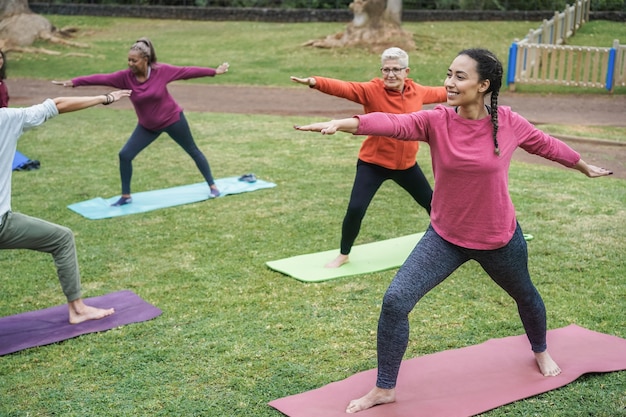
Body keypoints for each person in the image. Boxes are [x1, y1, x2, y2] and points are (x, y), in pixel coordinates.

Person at [294, 48, 612, 413]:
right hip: (445, 237)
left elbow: (546, 145)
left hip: (498, 239)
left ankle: (540, 349)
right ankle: (384, 388)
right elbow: (392, 124)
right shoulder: (437, 120)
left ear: (483, 85)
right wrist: (345, 124)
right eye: (448, 74)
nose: (449, 82)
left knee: (525, 296)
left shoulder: (508, 122)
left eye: (460, 76)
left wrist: (583, 165)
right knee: (395, 301)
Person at [291, 47, 447, 268]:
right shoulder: (372, 90)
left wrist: (474, 88)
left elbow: (446, 93)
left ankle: (452, 244)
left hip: (406, 165)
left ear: (406, 71)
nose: (390, 74)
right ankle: (343, 254)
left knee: (433, 204)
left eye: (395, 69)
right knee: (356, 208)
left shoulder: (418, 91)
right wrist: (314, 81)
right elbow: (344, 88)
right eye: (386, 70)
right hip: (373, 164)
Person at [1, 89, 132, 324]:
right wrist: (106, 98)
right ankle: (78, 309)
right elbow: (58, 104)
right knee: (62, 239)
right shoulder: (8, 119)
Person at [53, 37, 229, 206]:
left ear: (145, 59)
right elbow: (101, 78)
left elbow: (187, 71)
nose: (130, 64)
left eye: (134, 61)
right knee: (125, 155)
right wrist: (74, 82)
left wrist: (215, 71)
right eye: (128, 60)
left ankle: (213, 186)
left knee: (192, 150)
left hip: (172, 119)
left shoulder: (161, 71)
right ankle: (126, 196)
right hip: (148, 126)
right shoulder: (125, 78)